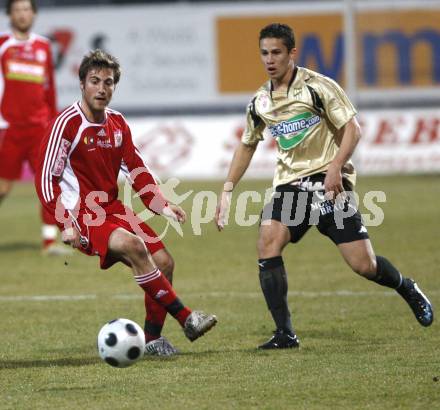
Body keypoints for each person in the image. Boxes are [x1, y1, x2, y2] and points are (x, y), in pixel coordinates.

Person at [215, 23, 433, 349]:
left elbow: (353, 129)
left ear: (292, 53)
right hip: (290, 183)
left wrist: (334, 168)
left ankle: (406, 286)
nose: (270, 59)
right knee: (268, 242)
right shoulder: (259, 102)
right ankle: (285, 333)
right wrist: (227, 189)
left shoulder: (318, 87)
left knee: (364, 265)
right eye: (264, 53)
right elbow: (247, 144)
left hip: (328, 180)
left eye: (276, 52)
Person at [35, 49, 217, 356]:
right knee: (134, 247)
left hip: (114, 209)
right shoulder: (67, 123)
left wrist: (162, 204)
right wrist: (64, 223)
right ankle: (187, 319)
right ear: (82, 84)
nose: (102, 88)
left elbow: (137, 169)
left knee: (164, 262)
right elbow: (45, 178)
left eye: (108, 82)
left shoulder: (117, 124)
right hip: (83, 214)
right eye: (95, 81)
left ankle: (152, 341)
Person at [0, 0, 65, 254]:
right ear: (10, 15)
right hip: (10, 127)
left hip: (39, 127)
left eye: (27, 9)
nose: (23, 14)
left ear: (34, 14)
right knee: (3, 187)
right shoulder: (3, 45)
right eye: (18, 10)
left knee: (48, 182)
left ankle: (49, 242)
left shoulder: (44, 46)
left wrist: (54, 120)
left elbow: (50, 87)